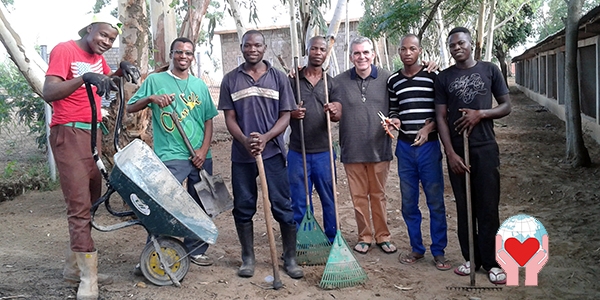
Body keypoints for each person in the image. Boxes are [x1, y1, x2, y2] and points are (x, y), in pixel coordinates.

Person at [42, 14, 140, 300]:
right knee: (79, 205)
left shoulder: (98, 58)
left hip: (92, 134)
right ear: (89, 29)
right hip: (68, 133)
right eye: (103, 35)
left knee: (93, 198)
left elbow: (103, 82)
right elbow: (49, 91)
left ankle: (74, 267)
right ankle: (88, 277)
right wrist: (83, 77)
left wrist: (119, 72)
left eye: (112, 39)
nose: (107, 42)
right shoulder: (65, 50)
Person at [218, 29, 303, 279]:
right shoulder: (230, 79)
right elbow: (229, 117)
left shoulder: (278, 78)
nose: (252, 49)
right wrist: (244, 140)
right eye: (247, 45)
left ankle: (290, 258)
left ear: (264, 48)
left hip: (273, 153)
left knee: (282, 207)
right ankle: (248, 258)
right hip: (242, 156)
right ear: (242, 47)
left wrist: (266, 138)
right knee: (243, 207)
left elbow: (286, 115)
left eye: (257, 45)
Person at [126, 37, 218, 268]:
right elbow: (130, 107)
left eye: (188, 53)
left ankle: (195, 249)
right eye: (179, 52)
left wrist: (203, 150)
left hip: (200, 155)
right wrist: (151, 98)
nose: (183, 57)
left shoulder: (199, 85)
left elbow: (208, 120)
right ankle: (154, 252)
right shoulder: (156, 80)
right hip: (171, 155)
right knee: (163, 203)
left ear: (193, 56)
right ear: (171, 54)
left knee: (200, 203)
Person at [434, 27, 511, 285]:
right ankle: (471, 258)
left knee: (488, 207)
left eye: (461, 43)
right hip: (458, 150)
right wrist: (450, 153)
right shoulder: (443, 78)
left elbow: (506, 106)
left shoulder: (490, 70)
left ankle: (492, 262)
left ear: (471, 45)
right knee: (465, 206)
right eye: (452, 45)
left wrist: (481, 114)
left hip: (485, 147)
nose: (457, 48)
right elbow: (441, 118)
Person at [386, 34, 450, 270]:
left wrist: (429, 127)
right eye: (403, 49)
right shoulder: (393, 80)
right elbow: (394, 108)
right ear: (399, 52)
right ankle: (416, 248)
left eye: (412, 48)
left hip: (429, 148)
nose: (407, 53)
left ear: (420, 51)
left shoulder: (433, 77)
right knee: (409, 202)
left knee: (435, 201)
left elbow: (443, 111)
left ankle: (439, 251)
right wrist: (394, 121)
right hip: (404, 148)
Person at [334, 36, 397, 255]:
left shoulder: (388, 79)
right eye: (357, 53)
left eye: (366, 52)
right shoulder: (338, 82)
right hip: (352, 149)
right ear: (351, 56)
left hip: (380, 148)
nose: (362, 57)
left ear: (374, 54)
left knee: (378, 195)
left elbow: (397, 108)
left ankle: (383, 236)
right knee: (359, 197)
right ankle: (365, 236)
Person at [288, 36, 342, 243]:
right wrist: (293, 113)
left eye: (322, 49)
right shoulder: (293, 80)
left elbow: (338, 114)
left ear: (326, 53)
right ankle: (304, 241)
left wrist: (334, 111)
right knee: (300, 201)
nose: (318, 52)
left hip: (324, 152)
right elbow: (282, 111)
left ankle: (332, 239)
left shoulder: (331, 82)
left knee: (329, 199)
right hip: (297, 151)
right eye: (314, 49)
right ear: (307, 50)